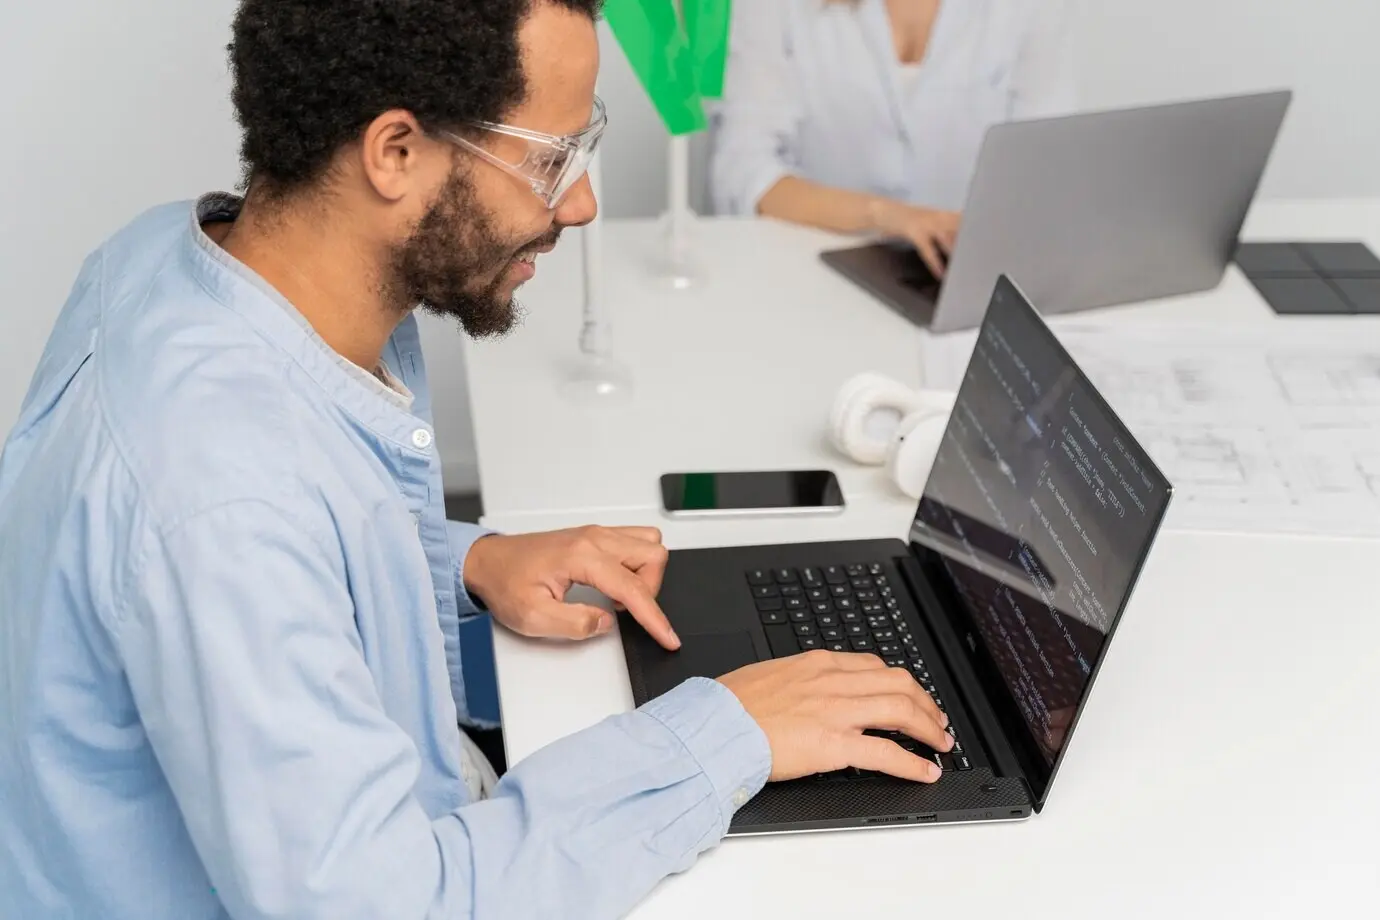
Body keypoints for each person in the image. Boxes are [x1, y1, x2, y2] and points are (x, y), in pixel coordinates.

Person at [0, 2, 954, 918]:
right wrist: (725, 736)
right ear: (396, 152)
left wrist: (464, 559)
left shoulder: (168, 261)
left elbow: (232, 566)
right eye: (553, 160)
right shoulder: (224, 502)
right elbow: (392, 905)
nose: (579, 204)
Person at [711, 0, 1075, 278]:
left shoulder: (1028, 10)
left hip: (963, 282)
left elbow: (1050, 167)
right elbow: (743, 171)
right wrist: (885, 215)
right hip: (811, 276)